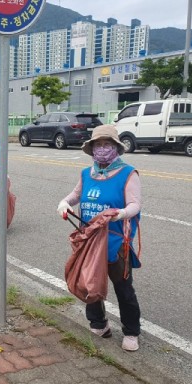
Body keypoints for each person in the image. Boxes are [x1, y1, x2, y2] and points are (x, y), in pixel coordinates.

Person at [57, 124, 142, 352]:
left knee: (123, 289)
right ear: (92, 148)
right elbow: (76, 195)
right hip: (90, 240)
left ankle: (131, 331)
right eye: (98, 145)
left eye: (107, 144)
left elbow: (135, 204)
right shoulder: (87, 173)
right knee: (90, 282)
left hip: (115, 242)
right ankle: (98, 323)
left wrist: (122, 213)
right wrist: (65, 203)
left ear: (115, 147)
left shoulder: (128, 174)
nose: (102, 149)